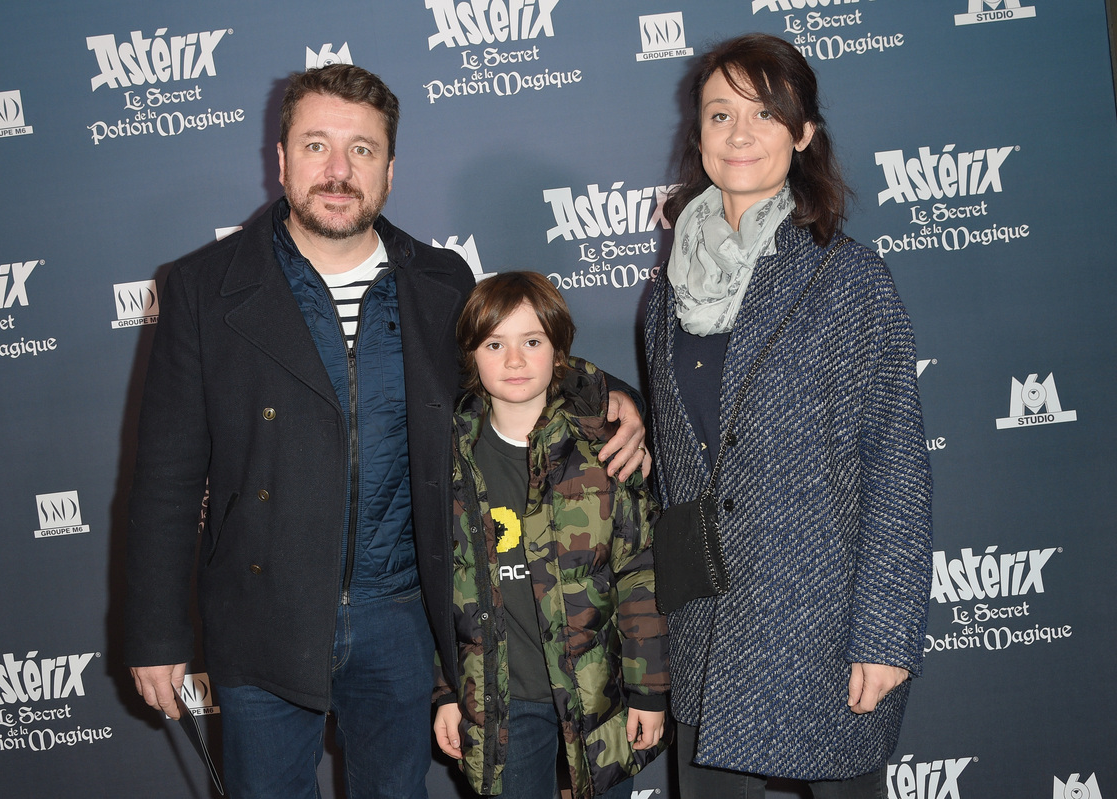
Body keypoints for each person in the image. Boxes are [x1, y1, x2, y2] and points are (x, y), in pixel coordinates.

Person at [123, 64, 649, 798]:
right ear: (280, 161)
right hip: (263, 619)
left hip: (405, 618)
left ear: (391, 170)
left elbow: (518, 366)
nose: (338, 171)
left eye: (362, 150)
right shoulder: (204, 288)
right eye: (316, 146)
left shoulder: (441, 281)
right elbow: (166, 476)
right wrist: (156, 635)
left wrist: (616, 398)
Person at [643, 34, 933, 798]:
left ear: (803, 134)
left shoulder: (851, 279)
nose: (739, 134)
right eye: (719, 113)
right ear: (697, 134)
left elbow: (897, 463)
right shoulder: (665, 295)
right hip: (709, 627)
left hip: (826, 628)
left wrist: (885, 633)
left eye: (765, 113)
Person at [433, 272, 669, 799]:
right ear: (470, 356)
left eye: (532, 341)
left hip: (594, 693)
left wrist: (649, 692)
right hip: (499, 702)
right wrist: (446, 691)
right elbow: (436, 585)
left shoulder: (606, 451)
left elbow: (638, 575)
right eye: (495, 344)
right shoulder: (446, 457)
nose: (514, 361)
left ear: (559, 352)